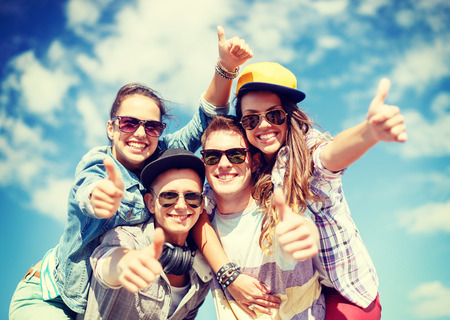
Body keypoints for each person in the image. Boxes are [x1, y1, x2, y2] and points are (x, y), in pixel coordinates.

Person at [9, 26, 252, 319]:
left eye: (151, 126)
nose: (140, 133)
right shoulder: (98, 163)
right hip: (52, 295)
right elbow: (89, 190)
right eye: (128, 123)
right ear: (110, 128)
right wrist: (98, 199)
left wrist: (226, 68)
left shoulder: (158, 150)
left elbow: (204, 121)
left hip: (98, 302)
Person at [233, 62, 407, 319]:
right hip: (297, 293)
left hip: (344, 293)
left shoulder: (306, 150)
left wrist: (368, 132)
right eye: (250, 119)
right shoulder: (248, 166)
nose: (263, 126)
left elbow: (329, 157)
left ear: (289, 115)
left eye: (274, 115)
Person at [199, 115, 326, 319]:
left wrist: (302, 234)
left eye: (236, 155)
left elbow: (299, 226)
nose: (223, 164)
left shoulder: (279, 206)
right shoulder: (198, 218)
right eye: (213, 156)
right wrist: (229, 277)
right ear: (203, 162)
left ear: (255, 161)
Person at [80, 148, 211, 320]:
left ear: (202, 205)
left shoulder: (202, 274)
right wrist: (124, 265)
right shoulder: (125, 237)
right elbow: (107, 262)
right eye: (168, 196)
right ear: (150, 203)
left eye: (192, 197)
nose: (181, 205)